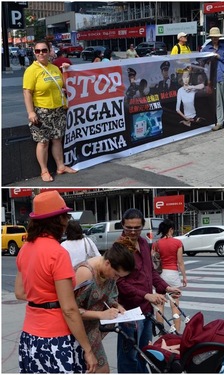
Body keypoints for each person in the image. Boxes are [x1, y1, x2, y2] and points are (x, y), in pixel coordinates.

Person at [14, 190, 98, 373]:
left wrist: (42, 294)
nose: (67, 220)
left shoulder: (25, 248)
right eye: (65, 216)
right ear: (57, 219)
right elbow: (68, 309)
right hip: (57, 338)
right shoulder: (57, 253)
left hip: (30, 335)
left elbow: (19, 292)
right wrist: (88, 349)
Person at [115, 208, 182, 373]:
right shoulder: (120, 247)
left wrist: (165, 287)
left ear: (142, 226)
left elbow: (150, 272)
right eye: (129, 227)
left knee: (145, 354)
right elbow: (119, 281)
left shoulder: (144, 243)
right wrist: (146, 295)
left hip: (146, 310)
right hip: (129, 312)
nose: (132, 231)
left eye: (136, 228)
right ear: (123, 225)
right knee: (128, 356)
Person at [74, 237, 136, 373]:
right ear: (108, 263)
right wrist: (100, 314)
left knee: (102, 370)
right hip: (75, 333)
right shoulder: (86, 273)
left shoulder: (108, 274)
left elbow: (110, 297)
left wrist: (117, 306)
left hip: (92, 330)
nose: (116, 278)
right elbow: (70, 311)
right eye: (116, 275)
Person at [23, 40, 77, 182]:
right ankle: (44, 170)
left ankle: (61, 166)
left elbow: (65, 85)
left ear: (49, 51)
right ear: (34, 53)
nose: (41, 53)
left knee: (57, 139)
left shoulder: (54, 68)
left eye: (44, 50)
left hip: (58, 109)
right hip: (42, 111)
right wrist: (31, 112)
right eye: (38, 51)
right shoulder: (31, 71)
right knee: (43, 142)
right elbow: (27, 92)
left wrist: (67, 70)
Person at [153, 219, 187, 332]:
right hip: (173, 275)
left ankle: (162, 332)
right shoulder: (177, 243)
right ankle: (176, 331)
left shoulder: (156, 244)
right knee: (175, 305)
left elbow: (153, 261)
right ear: (171, 229)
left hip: (160, 276)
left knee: (159, 305)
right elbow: (180, 262)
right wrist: (184, 277)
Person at [201, 27, 224, 131]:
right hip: (213, 76)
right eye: (213, 37)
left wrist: (219, 57)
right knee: (217, 100)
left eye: (217, 37)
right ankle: (219, 121)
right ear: (211, 38)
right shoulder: (206, 49)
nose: (215, 39)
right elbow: (202, 62)